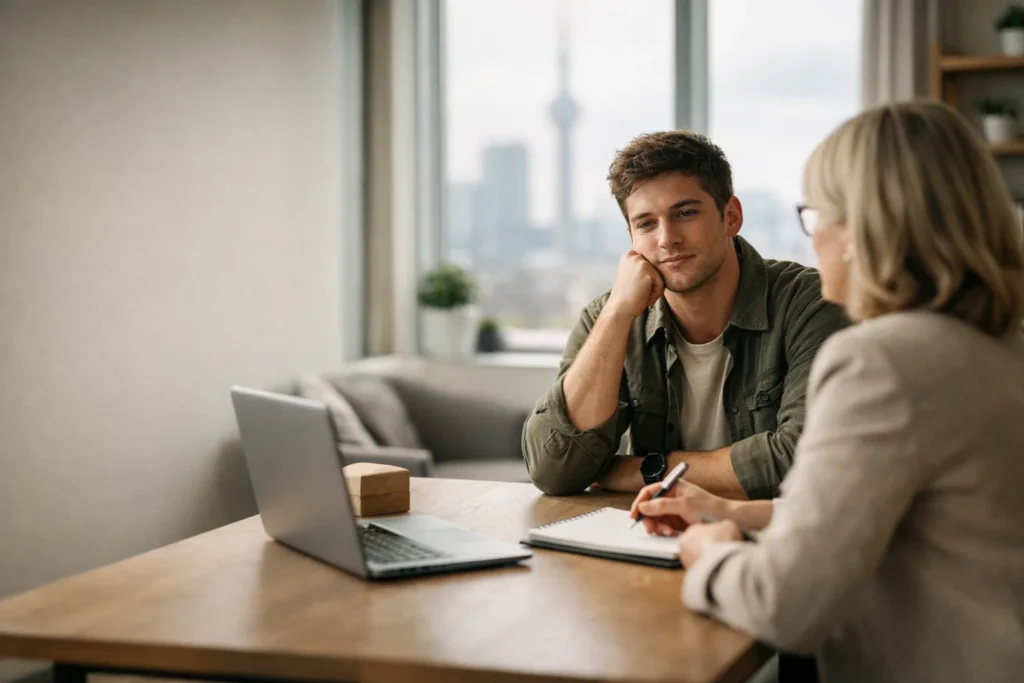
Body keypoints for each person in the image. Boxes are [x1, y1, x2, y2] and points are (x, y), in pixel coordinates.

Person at [631, 100, 1024, 682]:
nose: (812, 238)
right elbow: (903, 519)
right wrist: (728, 511)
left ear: (864, 230)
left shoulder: (881, 362)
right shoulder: (1002, 346)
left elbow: (783, 606)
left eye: (815, 214)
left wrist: (709, 553)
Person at [521, 131, 847, 498]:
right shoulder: (610, 316)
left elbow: (802, 460)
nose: (667, 238)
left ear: (731, 216)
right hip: (649, 528)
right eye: (646, 223)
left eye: (686, 213)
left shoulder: (810, 303)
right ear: (631, 237)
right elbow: (555, 470)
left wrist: (646, 471)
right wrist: (616, 316)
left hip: (770, 528)